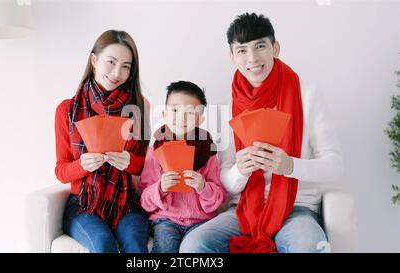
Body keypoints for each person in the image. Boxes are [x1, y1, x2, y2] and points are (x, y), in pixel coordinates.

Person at [179, 12, 344, 253]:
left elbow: (336, 166)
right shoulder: (228, 106)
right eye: (242, 50)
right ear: (232, 57)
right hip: (243, 210)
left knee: (309, 247)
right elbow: (226, 177)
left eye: (260, 46)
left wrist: (290, 166)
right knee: (194, 246)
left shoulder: (306, 95)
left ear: (275, 48)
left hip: (297, 209)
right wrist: (240, 171)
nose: (252, 58)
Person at [54, 30, 150, 253]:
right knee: (103, 244)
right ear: (94, 60)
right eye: (111, 62)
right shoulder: (67, 110)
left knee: (136, 246)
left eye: (126, 66)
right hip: (83, 205)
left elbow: (145, 165)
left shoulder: (139, 106)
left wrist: (129, 162)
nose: (117, 72)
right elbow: (61, 171)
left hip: (127, 204)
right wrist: (82, 165)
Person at [140, 81, 227, 253]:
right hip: (166, 220)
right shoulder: (155, 151)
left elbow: (219, 198)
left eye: (190, 112)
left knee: (201, 248)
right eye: (175, 110)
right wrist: (160, 187)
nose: (181, 117)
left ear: (200, 119)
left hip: (201, 221)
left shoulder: (208, 153)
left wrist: (203, 187)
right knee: (166, 247)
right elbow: (144, 200)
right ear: (164, 113)